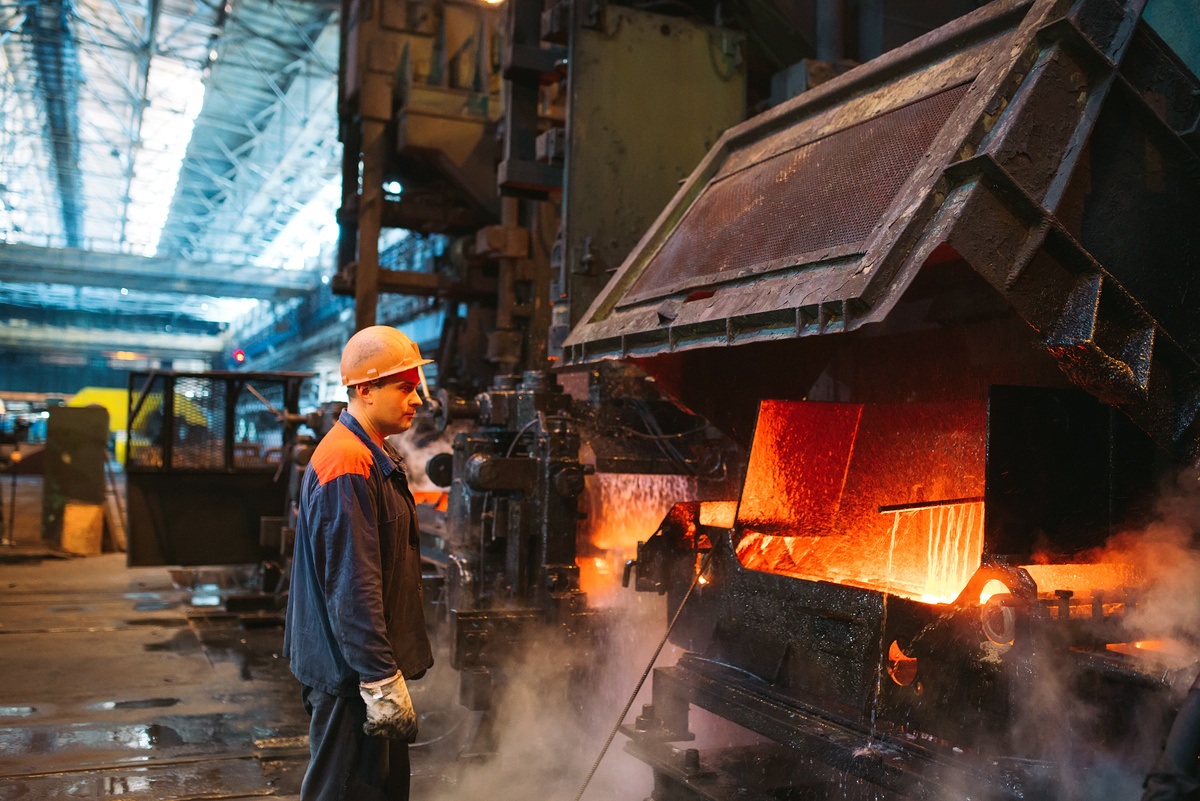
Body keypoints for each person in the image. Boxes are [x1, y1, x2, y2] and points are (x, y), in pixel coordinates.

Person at [285, 325, 435, 801]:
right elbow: (353, 588)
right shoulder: (347, 463)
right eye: (405, 388)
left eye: (416, 388)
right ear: (365, 390)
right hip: (350, 679)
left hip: (360, 671)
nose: (416, 400)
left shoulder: (370, 455)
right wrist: (379, 680)